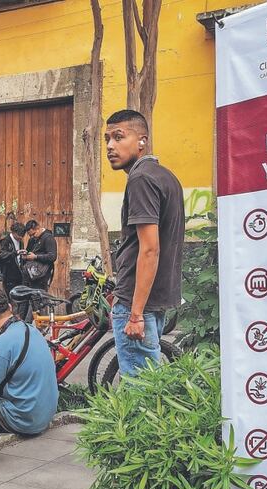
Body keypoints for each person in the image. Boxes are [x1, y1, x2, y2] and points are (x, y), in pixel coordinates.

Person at [104, 109, 184, 376]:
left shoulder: (140, 179)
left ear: (142, 140)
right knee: (151, 384)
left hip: (137, 303)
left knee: (139, 391)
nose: (110, 146)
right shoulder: (165, 176)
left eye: (119, 137)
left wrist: (134, 313)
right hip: (154, 299)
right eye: (107, 139)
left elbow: (150, 249)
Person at [0, 289, 58, 435]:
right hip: (46, 415)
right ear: (10, 307)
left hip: (25, 421)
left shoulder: (2, 345)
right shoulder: (31, 330)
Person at [0, 222, 27, 298]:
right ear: (14, 232)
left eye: (22, 236)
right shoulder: (5, 240)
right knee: (10, 296)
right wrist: (16, 253)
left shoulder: (21, 242)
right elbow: (2, 255)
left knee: (19, 296)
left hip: (19, 273)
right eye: (19, 235)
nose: (21, 237)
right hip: (8, 273)